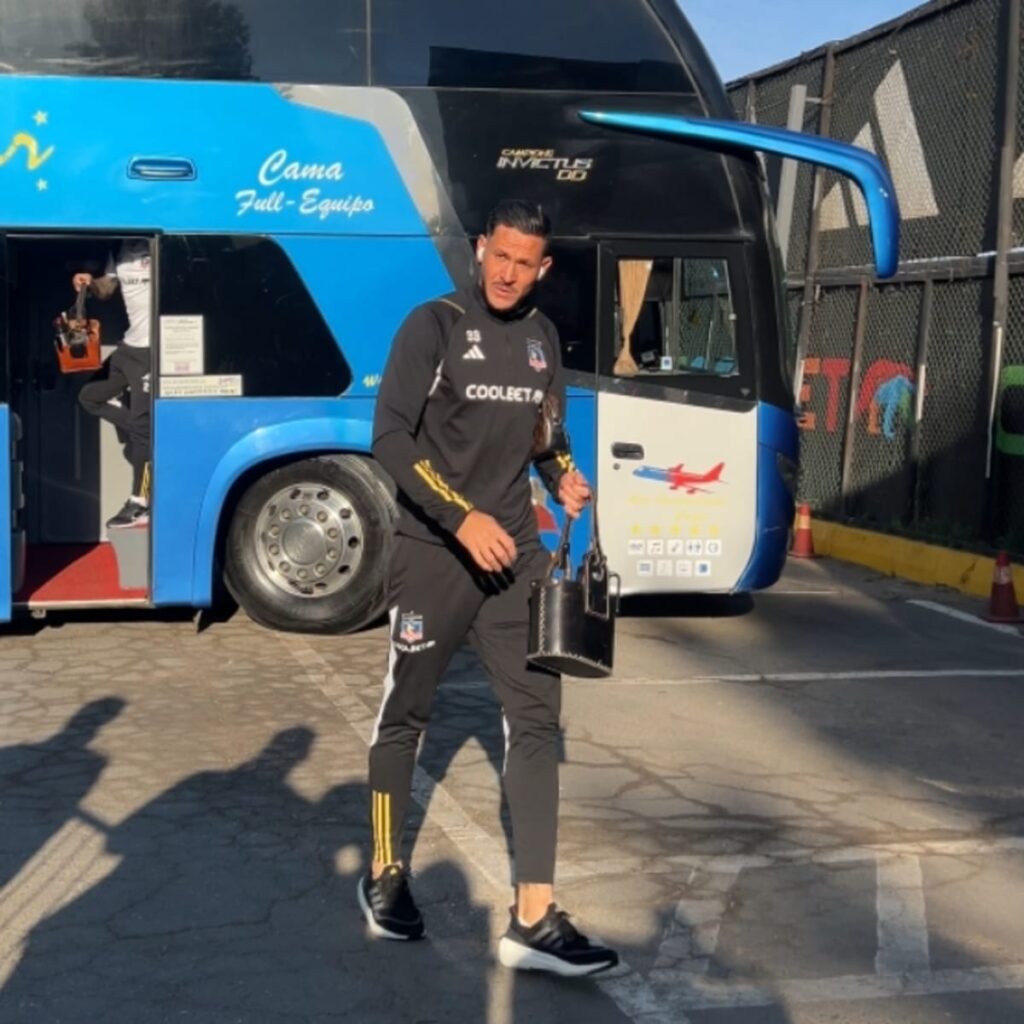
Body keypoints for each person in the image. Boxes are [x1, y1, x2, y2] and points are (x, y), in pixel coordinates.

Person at [359, 199, 619, 977]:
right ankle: (381, 872)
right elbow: (390, 437)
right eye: (499, 256)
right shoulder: (432, 325)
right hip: (433, 554)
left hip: (517, 562)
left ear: (545, 267)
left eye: (525, 262)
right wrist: (460, 515)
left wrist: (567, 478)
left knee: (538, 722)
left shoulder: (543, 341)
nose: (508, 274)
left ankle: (534, 918)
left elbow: (548, 440)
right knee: (404, 716)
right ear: (481, 249)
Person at [73, 237, 152, 528]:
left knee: (143, 434)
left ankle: (141, 502)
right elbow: (108, 287)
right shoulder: (119, 247)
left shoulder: (160, 242)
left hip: (153, 349)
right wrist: (90, 284)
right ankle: (147, 430)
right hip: (129, 347)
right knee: (89, 396)